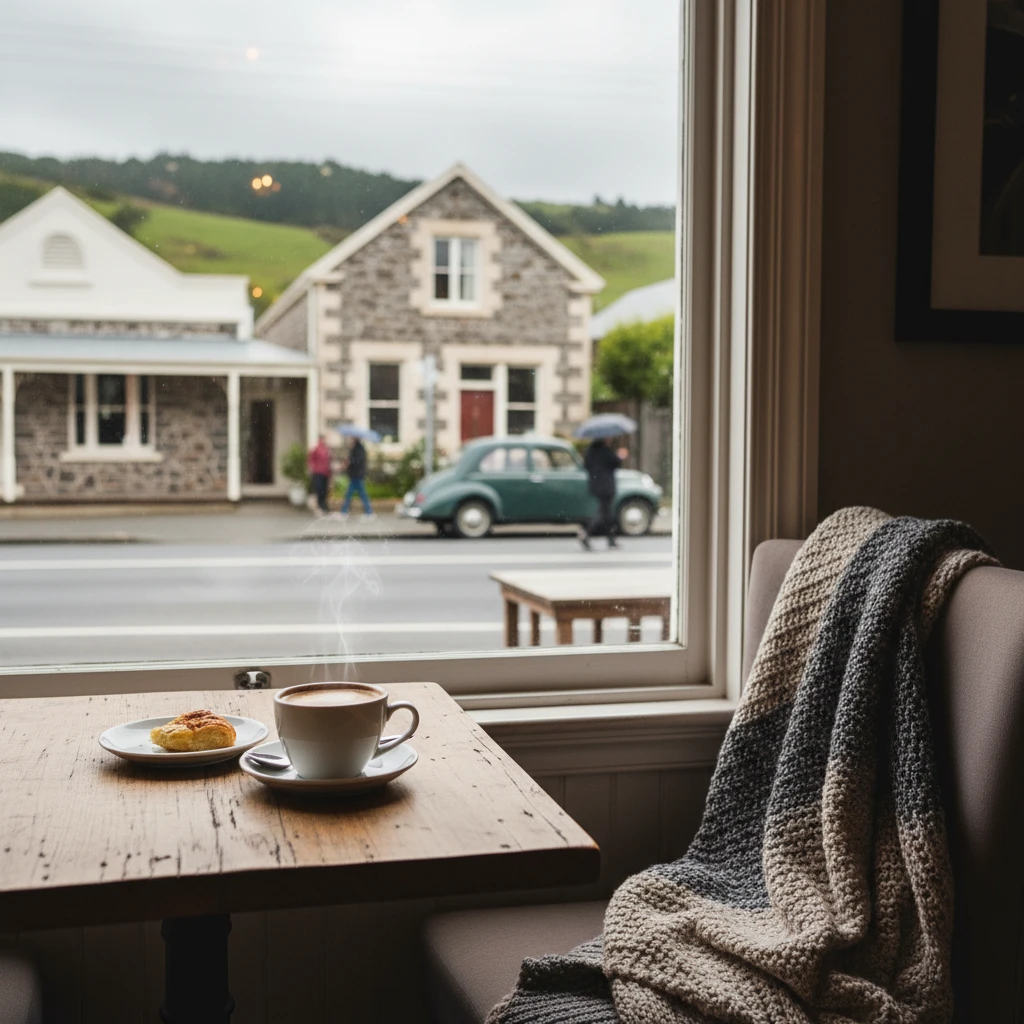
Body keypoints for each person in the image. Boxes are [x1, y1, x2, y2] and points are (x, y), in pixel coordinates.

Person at [580, 437, 628, 550]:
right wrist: (621, 456)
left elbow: (586, 466)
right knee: (604, 513)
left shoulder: (591, 451)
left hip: (595, 485)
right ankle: (586, 533)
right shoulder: (605, 451)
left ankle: (611, 540)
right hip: (606, 485)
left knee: (607, 513)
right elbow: (615, 463)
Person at [340, 436, 373, 517]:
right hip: (356, 475)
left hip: (357, 475)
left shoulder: (359, 449)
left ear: (355, 440)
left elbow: (357, 461)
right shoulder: (356, 449)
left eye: (352, 439)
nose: (350, 440)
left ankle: (344, 511)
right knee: (358, 494)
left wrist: (349, 462)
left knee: (353, 494)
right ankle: (368, 511)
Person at [307, 435, 332, 516]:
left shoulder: (327, 449)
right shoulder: (316, 449)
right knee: (319, 489)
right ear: (320, 440)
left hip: (326, 472)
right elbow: (311, 460)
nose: (324, 441)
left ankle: (324, 506)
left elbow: (329, 460)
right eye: (323, 439)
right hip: (318, 472)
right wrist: (312, 469)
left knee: (324, 490)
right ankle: (319, 507)